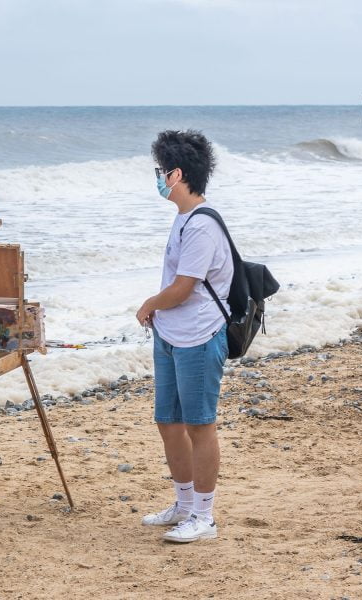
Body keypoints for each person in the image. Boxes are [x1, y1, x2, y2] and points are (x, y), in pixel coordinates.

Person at [135, 130, 233, 543]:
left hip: (199, 335)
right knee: (169, 422)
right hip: (171, 335)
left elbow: (183, 288)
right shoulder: (184, 218)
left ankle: (205, 517)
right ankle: (184, 504)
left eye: (160, 172)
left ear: (176, 174)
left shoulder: (201, 227)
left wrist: (148, 305)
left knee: (200, 425)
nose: (158, 179)